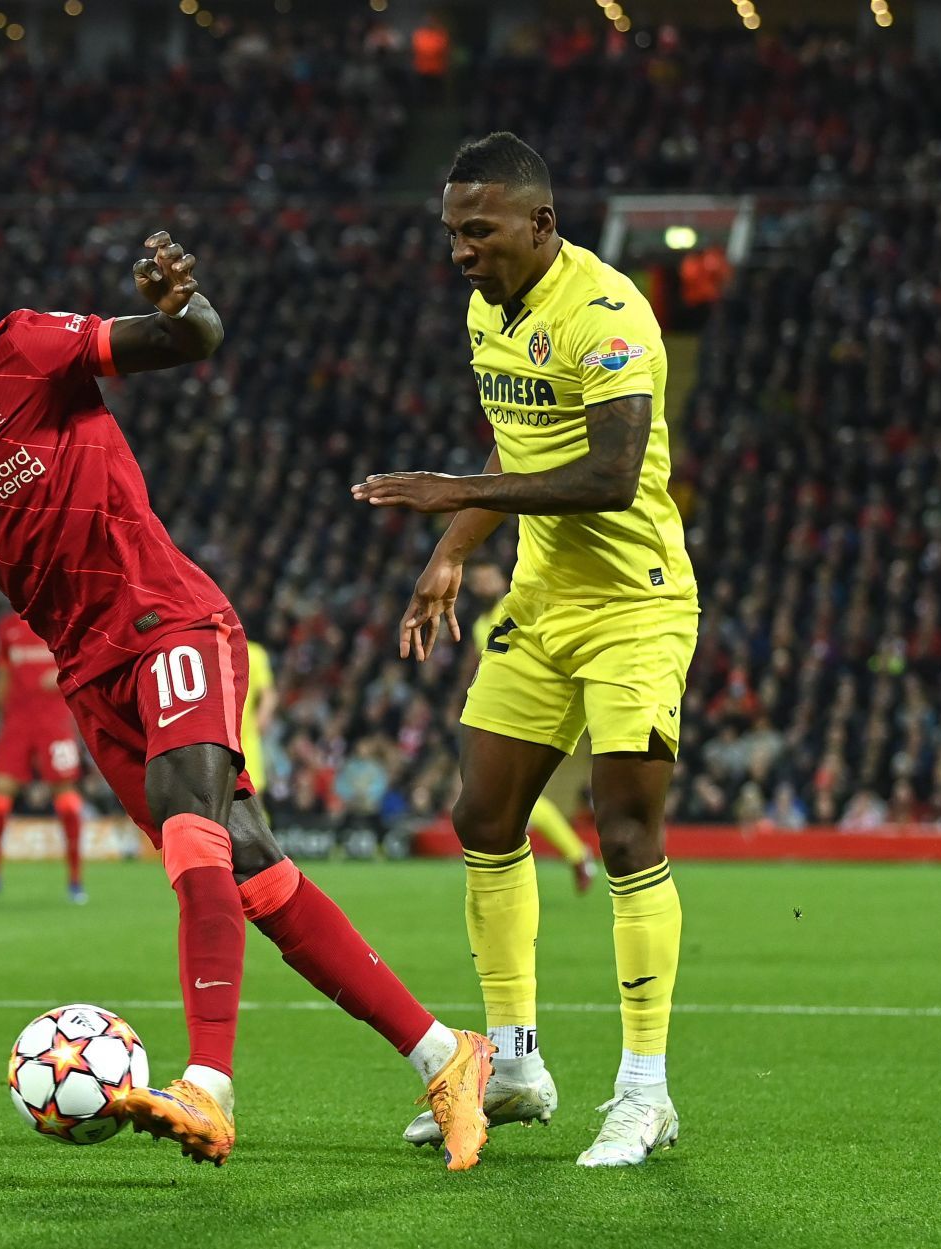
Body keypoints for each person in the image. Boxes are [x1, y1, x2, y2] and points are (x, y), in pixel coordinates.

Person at [0, 235, 493, 1170]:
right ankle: (448, 1056)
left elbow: (189, 341)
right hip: (87, 674)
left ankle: (208, 1085)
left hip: (169, 620)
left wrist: (181, 302)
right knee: (253, 872)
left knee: (190, 827)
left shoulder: (30, 350)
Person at [353, 133, 696, 1167]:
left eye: (480, 230)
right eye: (452, 231)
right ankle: (514, 1062)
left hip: (634, 601)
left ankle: (645, 1092)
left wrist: (457, 494)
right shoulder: (484, 312)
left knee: (626, 830)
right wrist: (453, 551)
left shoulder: (607, 313)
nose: (461, 249)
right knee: (484, 813)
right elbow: (519, 440)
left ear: (539, 225)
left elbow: (613, 473)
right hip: (542, 599)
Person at [465, 563, 598, 893]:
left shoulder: (517, 604)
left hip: (532, 706)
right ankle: (573, 856)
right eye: (477, 581)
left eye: (488, 577)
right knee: (516, 797)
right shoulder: (480, 625)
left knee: (517, 797)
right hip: (501, 711)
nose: (483, 584)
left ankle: (572, 856)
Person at [0, 611, 88, 905]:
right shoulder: (7, 627)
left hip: (54, 722)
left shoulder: (60, 621)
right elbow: (3, 676)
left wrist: (62, 675)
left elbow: (85, 664)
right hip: (17, 723)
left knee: (66, 799)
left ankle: (75, 880)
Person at [240, 638, 278, 803]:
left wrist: (259, 721)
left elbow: (268, 695)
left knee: (252, 796)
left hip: (245, 739)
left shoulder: (253, 653)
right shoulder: (207, 648)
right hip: (218, 737)